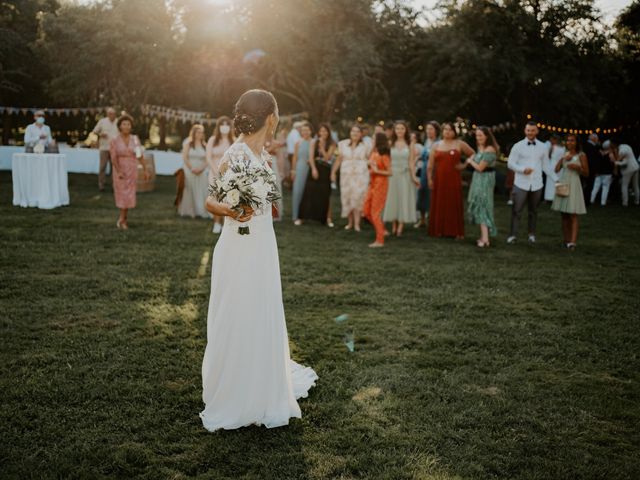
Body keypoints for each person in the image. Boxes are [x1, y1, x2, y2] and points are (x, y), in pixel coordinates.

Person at [200, 89, 317, 432]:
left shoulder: (262, 153)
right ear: (270, 117)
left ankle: (263, 383)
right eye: (277, 113)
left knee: (262, 308)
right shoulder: (234, 154)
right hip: (239, 248)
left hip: (264, 244)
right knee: (240, 310)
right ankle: (238, 391)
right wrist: (233, 209)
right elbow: (211, 200)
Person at [506, 121, 552, 244]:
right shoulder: (518, 146)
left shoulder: (543, 147)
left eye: (532, 130)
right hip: (521, 183)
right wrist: (522, 169)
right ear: (525, 131)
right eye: (528, 130)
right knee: (516, 210)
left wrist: (556, 180)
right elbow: (510, 163)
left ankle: (531, 234)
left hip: (537, 184)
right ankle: (513, 235)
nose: (530, 132)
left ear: (537, 131)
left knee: (533, 211)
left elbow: (546, 166)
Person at [427, 122, 474, 239]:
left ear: (454, 132)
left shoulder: (459, 143)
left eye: (450, 130)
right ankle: (438, 230)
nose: (447, 132)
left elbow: (473, 154)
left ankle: (455, 231)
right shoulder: (436, 145)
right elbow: (430, 165)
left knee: (453, 203)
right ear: (442, 131)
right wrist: (429, 179)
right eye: (445, 130)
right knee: (439, 202)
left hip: (453, 179)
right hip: (439, 179)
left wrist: (464, 165)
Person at [109, 114, 149, 229]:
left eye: (128, 124)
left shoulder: (135, 139)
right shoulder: (115, 140)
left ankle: (123, 219)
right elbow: (113, 157)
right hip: (120, 169)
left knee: (129, 194)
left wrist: (145, 169)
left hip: (132, 169)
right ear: (120, 126)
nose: (126, 126)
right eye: (124, 124)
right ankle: (122, 219)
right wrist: (118, 171)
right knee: (122, 194)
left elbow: (139, 155)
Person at [383, 121, 420, 237]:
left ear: (406, 130)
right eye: (397, 128)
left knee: (403, 198)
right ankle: (394, 225)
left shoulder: (410, 144)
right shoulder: (390, 143)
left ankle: (400, 227)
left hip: (405, 175)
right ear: (394, 130)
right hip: (392, 175)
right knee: (393, 199)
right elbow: (387, 161)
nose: (399, 131)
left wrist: (414, 177)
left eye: (402, 128)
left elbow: (411, 162)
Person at [551, 134, 588, 249]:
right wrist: (563, 159)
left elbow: (586, 173)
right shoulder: (565, 154)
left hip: (574, 183)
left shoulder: (581, 155)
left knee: (573, 213)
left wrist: (578, 168)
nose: (569, 142)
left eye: (572, 140)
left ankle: (573, 242)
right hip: (564, 183)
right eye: (568, 140)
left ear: (577, 142)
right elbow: (556, 169)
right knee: (564, 214)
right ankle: (566, 240)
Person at [331, 125, 370, 231]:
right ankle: (350, 223)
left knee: (357, 198)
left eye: (358, 132)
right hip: (346, 175)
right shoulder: (342, 144)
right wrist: (333, 172)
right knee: (347, 197)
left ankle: (357, 224)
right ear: (350, 133)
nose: (355, 134)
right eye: (353, 131)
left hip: (360, 176)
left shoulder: (366, 145)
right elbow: (338, 159)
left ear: (361, 134)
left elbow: (370, 159)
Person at [466, 126, 499, 247]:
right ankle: (483, 236)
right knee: (479, 205)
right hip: (478, 179)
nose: (478, 138)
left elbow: (480, 168)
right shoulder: (481, 148)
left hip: (484, 180)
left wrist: (470, 161)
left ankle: (485, 239)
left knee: (483, 205)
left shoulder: (490, 149)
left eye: (481, 135)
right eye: (477, 135)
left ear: (487, 136)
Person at [299, 123, 336, 227]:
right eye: (321, 131)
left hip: (326, 170)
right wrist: (314, 169)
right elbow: (310, 157)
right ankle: (302, 217)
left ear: (328, 132)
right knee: (309, 193)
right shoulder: (313, 142)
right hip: (314, 169)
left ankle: (326, 218)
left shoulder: (332, 144)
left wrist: (322, 147)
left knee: (325, 194)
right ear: (319, 132)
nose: (323, 133)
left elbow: (327, 158)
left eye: (325, 131)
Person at [206, 116, 234, 233]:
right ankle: (216, 223)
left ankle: (225, 223)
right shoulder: (213, 140)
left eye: (227, 124)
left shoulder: (234, 140)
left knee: (228, 199)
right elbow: (208, 157)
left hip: (229, 174)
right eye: (222, 124)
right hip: (214, 173)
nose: (224, 127)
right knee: (215, 198)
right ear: (218, 127)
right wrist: (216, 171)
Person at [363, 133, 392, 247]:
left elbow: (390, 172)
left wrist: (376, 170)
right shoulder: (374, 152)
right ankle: (382, 230)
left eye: (373, 138)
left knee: (375, 213)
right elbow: (371, 166)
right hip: (372, 183)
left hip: (381, 184)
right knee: (366, 211)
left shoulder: (384, 155)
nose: (372, 140)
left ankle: (380, 241)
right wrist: (369, 166)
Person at [178, 124, 209, 219]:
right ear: (194, 133)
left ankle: (201, 210)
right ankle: (190, 211)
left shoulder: (205, 145)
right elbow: (185, 157)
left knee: (202, 189)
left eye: (201, 132)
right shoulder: (188, 143)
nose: (200, 134)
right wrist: (192, 168)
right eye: (198, 132)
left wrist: (201, 168)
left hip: (202, 170)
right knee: (189, 189)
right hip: (189, 169)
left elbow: (208, 159)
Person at [415, 121, 440, 229]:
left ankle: (433, 219)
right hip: (425, 169)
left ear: (436, 131)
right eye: (427, 129)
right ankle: (422, 219)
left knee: (433, 194)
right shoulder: (427, 142)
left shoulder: (440, 142)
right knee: (422, 192)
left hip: (436, 169)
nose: (429, 131)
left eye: (431, 129)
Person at [92, 107, 119, 191]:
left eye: (113, 114)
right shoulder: (102, 121)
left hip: (115, 148)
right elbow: (94, 131)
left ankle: (114, 185)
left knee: (114, 168)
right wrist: (101, 134)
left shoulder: (118, 122)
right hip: (104, 148)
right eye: (110, 114)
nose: (112, 115)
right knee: (102, 167)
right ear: (107, 114)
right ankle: (101, 185)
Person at [291, 122, 313, 224]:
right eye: (303, 130)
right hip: (300, 168)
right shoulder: (298, 142)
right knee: (298, 191)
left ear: (311, 131)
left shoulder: (314, 142)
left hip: (311, 169)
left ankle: (308, 215)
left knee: (309, 192)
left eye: (307, 130)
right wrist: (293, 170)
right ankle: (296, 216)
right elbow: (294, 157)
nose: (305, 132)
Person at [607, 139, 639, 207]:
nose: (609, 145)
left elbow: (617, 161)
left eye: (610, 143)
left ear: (614, 144)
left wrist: (614, 165)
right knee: (635, 185)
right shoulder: (626, 146)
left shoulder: (621, 151)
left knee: (624, 186)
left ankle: (625, 203)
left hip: (628, 169)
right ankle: (637, 201)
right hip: (636, 167)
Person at [590, 139, 614, 205]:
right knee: (605, 188)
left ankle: (592, 200)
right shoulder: (610, 154)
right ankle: (603, 202)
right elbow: (613, 162)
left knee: (595, 187)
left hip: (599, 172)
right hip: (607, 173)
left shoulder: (599, 153)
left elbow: (596, 163)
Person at [545, 135, 564, 202]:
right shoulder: (563, 148)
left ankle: (549, 197)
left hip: (552, 165)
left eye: (552, 140)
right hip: (560, 166)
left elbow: (549, 156)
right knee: (558, 180)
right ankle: (558, 197)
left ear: (555, 140)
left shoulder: (553, 147)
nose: (551, 141)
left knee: (551, 182)